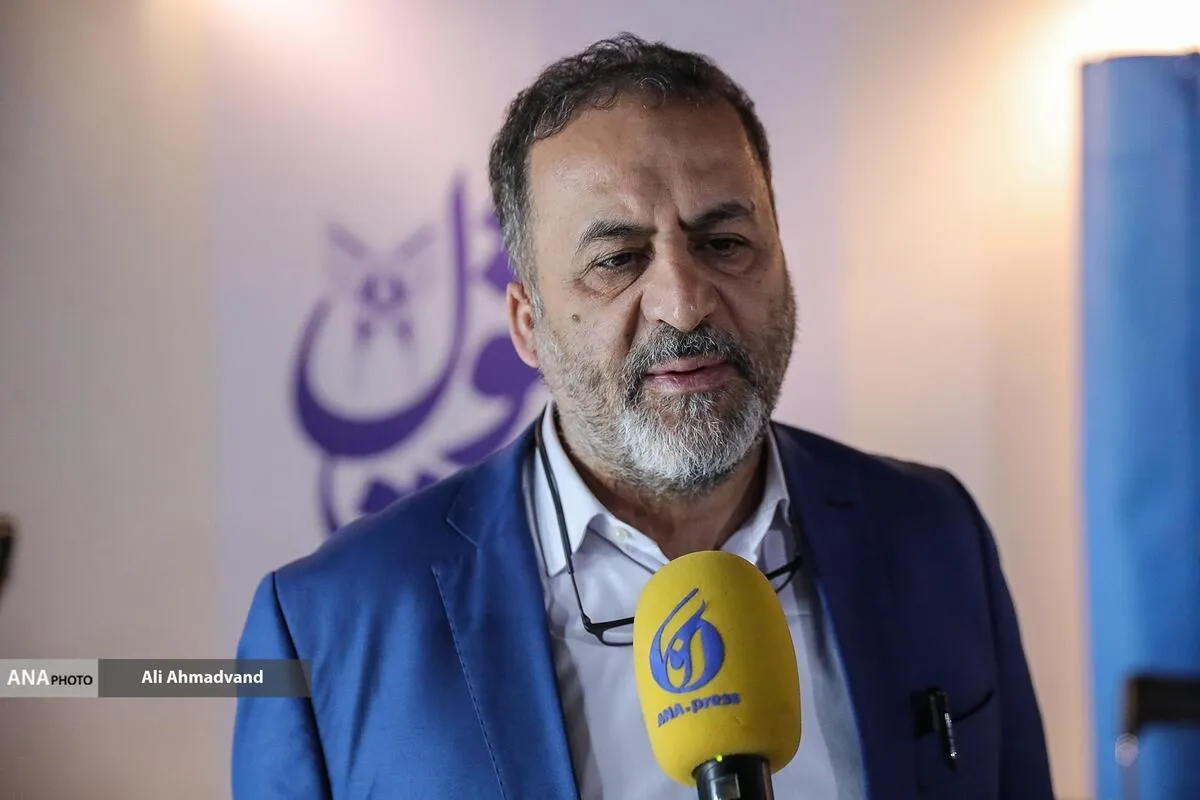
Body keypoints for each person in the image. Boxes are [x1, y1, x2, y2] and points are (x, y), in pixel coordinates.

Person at [232, 33, 1054, 799]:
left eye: (724, 243)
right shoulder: (327, 623)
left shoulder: (934, 535)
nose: (685, 303)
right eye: (618, 259)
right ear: (527, 324)